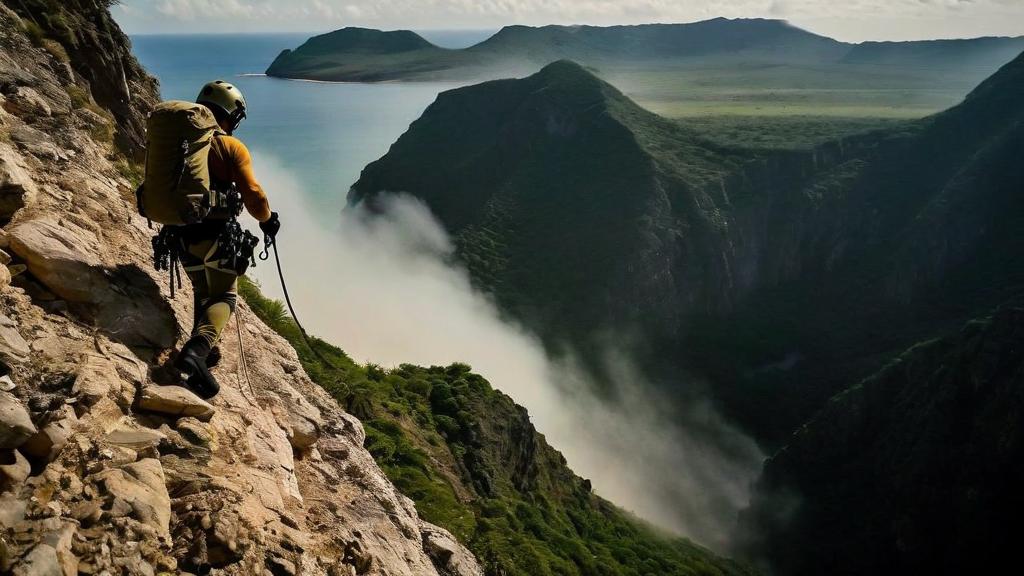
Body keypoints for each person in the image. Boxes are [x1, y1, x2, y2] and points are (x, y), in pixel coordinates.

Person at [172, 80, 280, 398]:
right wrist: (268, 220)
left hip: (179, 234)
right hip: (213, 234)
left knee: (203, 292)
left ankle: (206, 354)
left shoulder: (180, 143)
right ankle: (196, 351)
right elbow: (255, 196)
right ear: (230, 115)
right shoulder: (229, 147)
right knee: (224, 297)